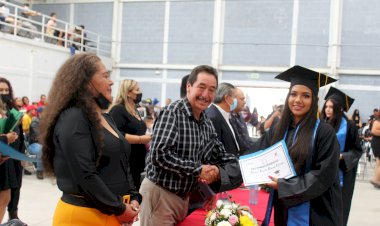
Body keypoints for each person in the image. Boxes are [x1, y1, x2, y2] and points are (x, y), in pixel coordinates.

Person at [39, 53, 141, 226]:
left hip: (111, 213)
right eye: (105, 76)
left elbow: (123, 163)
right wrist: (120, 208)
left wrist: (133, 197)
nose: (111, 82)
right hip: (84, 216)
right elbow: (84, 173)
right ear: (86, 81)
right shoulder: (74, 118)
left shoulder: (106, 118)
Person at [139, 65, 242, 225]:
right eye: (201, 87)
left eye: (211, 90)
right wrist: (198, 170)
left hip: (184, 197)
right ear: (189, 87)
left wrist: (236, 167)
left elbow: (220, 155)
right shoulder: (172, 113)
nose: (206, 95)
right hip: (161, 194)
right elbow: (159, 155)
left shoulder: (206, 122)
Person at [247, 65, 342, 226]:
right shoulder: (278, 129)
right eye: (293, 94)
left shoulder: (324, 133)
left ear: (314, 101)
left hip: (316, 211)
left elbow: (323, 175)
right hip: (284, 208)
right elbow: (256, 154)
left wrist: (284, 186)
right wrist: (222, 172)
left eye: (306, 96)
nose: (298, 100)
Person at [320, 86, 362, 226]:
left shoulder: (349, 126)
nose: (328, 109)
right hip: (320, 173)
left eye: (332, 107)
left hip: (341, 175)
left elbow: (357, 150)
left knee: (339, 211)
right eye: (326, 106)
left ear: (341, 108)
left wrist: (343, 156)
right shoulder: (320, 123)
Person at [109, 79, 151, 191]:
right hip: (127, 161)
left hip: (138, 160)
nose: (139, 92)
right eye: (137, 90)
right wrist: (141, 139)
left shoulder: (135, 109)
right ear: (127, 92)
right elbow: (116, 134)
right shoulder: (118, 110)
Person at [0, 78, 26, 225]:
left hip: (14, 156)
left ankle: (13, 216)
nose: (4, 93)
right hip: (2, 157)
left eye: (6, 90)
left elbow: (21, 135)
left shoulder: (13, 111)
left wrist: (22, 154)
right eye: (1, 90)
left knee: (13, 190)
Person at [205, 83, 240, 156]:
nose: (236, 101)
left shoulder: (225, 115)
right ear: (227, 98)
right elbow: (214, 152)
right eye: (234, 97)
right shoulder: (212, 117)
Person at [229, 88, 256, 154]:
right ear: (232, 100)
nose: (244, 102)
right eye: (242, 99)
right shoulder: (229, 118)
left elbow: (247, 139)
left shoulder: (239, 116)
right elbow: (241, 144)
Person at [27, 106, 44, 179]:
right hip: (33, 144)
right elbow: (39, 135)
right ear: (39, 113)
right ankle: (39, 170)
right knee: (41, 149)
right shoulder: (35, 121)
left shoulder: (47, 121)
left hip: (43, 143)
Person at [370, 116, 380, 188]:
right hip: (377, 143)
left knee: (378, 163)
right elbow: (373, 131)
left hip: (377, 143)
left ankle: (376, 180)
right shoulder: (377, 122)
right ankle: (376, 180)